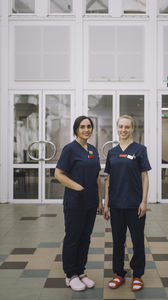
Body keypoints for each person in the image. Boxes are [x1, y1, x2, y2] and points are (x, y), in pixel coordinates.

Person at [55, 116, 103, 292]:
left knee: (85, 238)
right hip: (75, 202)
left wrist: (100, 200)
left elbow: (97, 177)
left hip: (90, 203)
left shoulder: (92, 150)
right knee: (73, 237)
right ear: (76, 129)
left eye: (89, 126)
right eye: (82, 127)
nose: (86, 129)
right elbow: (58, 173)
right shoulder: (70, 149)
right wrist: (78, 187)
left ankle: (80, 271)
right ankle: (70, 275)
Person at [103, 115, 151, 292]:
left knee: (137, 240)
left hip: (134, 204)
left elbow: (145, 176)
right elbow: (108, 179)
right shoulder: (112, 152)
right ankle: (119, 273)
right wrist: (106, 204)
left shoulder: (140, 150)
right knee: (117, 240)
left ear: (132, 129)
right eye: (120, 127)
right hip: (116, 204)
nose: (123, 130)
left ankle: (137, 275)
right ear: (117, 128)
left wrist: (144, 201)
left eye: (127, 127)